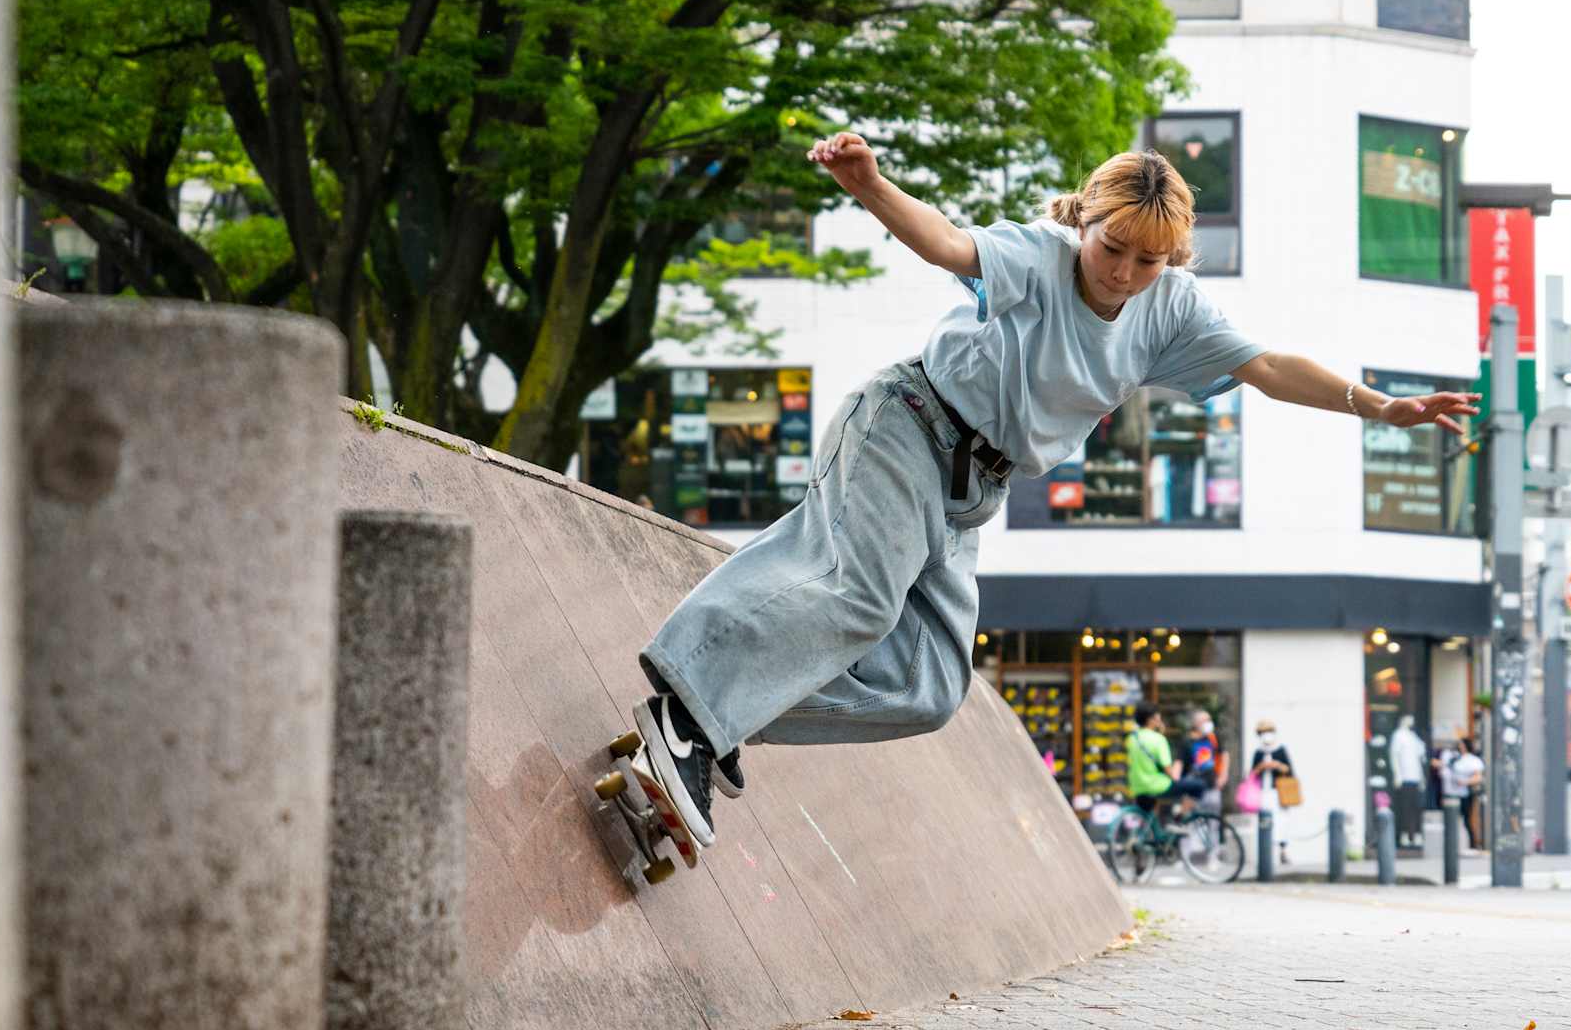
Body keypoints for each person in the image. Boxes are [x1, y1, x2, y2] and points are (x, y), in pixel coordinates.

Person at [624, 135, 1479, 849]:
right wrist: (873, 187)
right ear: (1087, 220)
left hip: (970, 494)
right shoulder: (1037, 255)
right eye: (1113, 248)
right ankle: (694, 708)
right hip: (907, 426)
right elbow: (947, 244)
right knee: (858, 594)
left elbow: (1267, 367)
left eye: (1148, 260)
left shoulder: (1170, 307)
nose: (1124, 273)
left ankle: (716, 714)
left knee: (928, 687)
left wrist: (1379, 405)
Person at [1126, 705, 1210, 816]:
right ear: (1150, 720)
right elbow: (1168, 770)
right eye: (1157, 717)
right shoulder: (1158, 739)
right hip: (1158, 786)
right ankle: (1180, 817)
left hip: (1137, 786)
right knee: (1198, 786)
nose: (1160, 720)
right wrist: (1176, 778)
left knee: (1147, 816)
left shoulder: (1131, 739)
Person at [1248, 718, 1296, 864]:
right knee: (1265, 820)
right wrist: (1262, 767)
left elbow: (1290, 771)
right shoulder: (1258, 753)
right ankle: (1266, 853)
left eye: (1268, 732)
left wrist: (1277, 765)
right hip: (1263, 792)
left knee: (1281, 821)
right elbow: (1252, 774)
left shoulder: (1280, 751)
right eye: (1263, 733)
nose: (1266, 735)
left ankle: (1283, 850)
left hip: (1279, 791)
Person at [1388, 715, 1427, 848]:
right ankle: (1404, 834)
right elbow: (1394, 755)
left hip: (1415, 777)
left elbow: (1420, 757)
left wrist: (1422, 778)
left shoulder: (1413, 737)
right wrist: (1397, 775)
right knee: (1405, 807)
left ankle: (1415, 834)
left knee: (1416, 807)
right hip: (1404, 778)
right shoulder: (1398, 735)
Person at [1444, 734, 1485, 850]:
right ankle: (1456, 846)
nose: (1460, 747)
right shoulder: (1456, 758)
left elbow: (1478, 777)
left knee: (1468, 820)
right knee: (1454, 821)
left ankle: (1473, 844)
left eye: (1461, 744)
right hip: (1453, 793)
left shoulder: (1473, 760)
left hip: (1467, 794)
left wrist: (1464, 782)